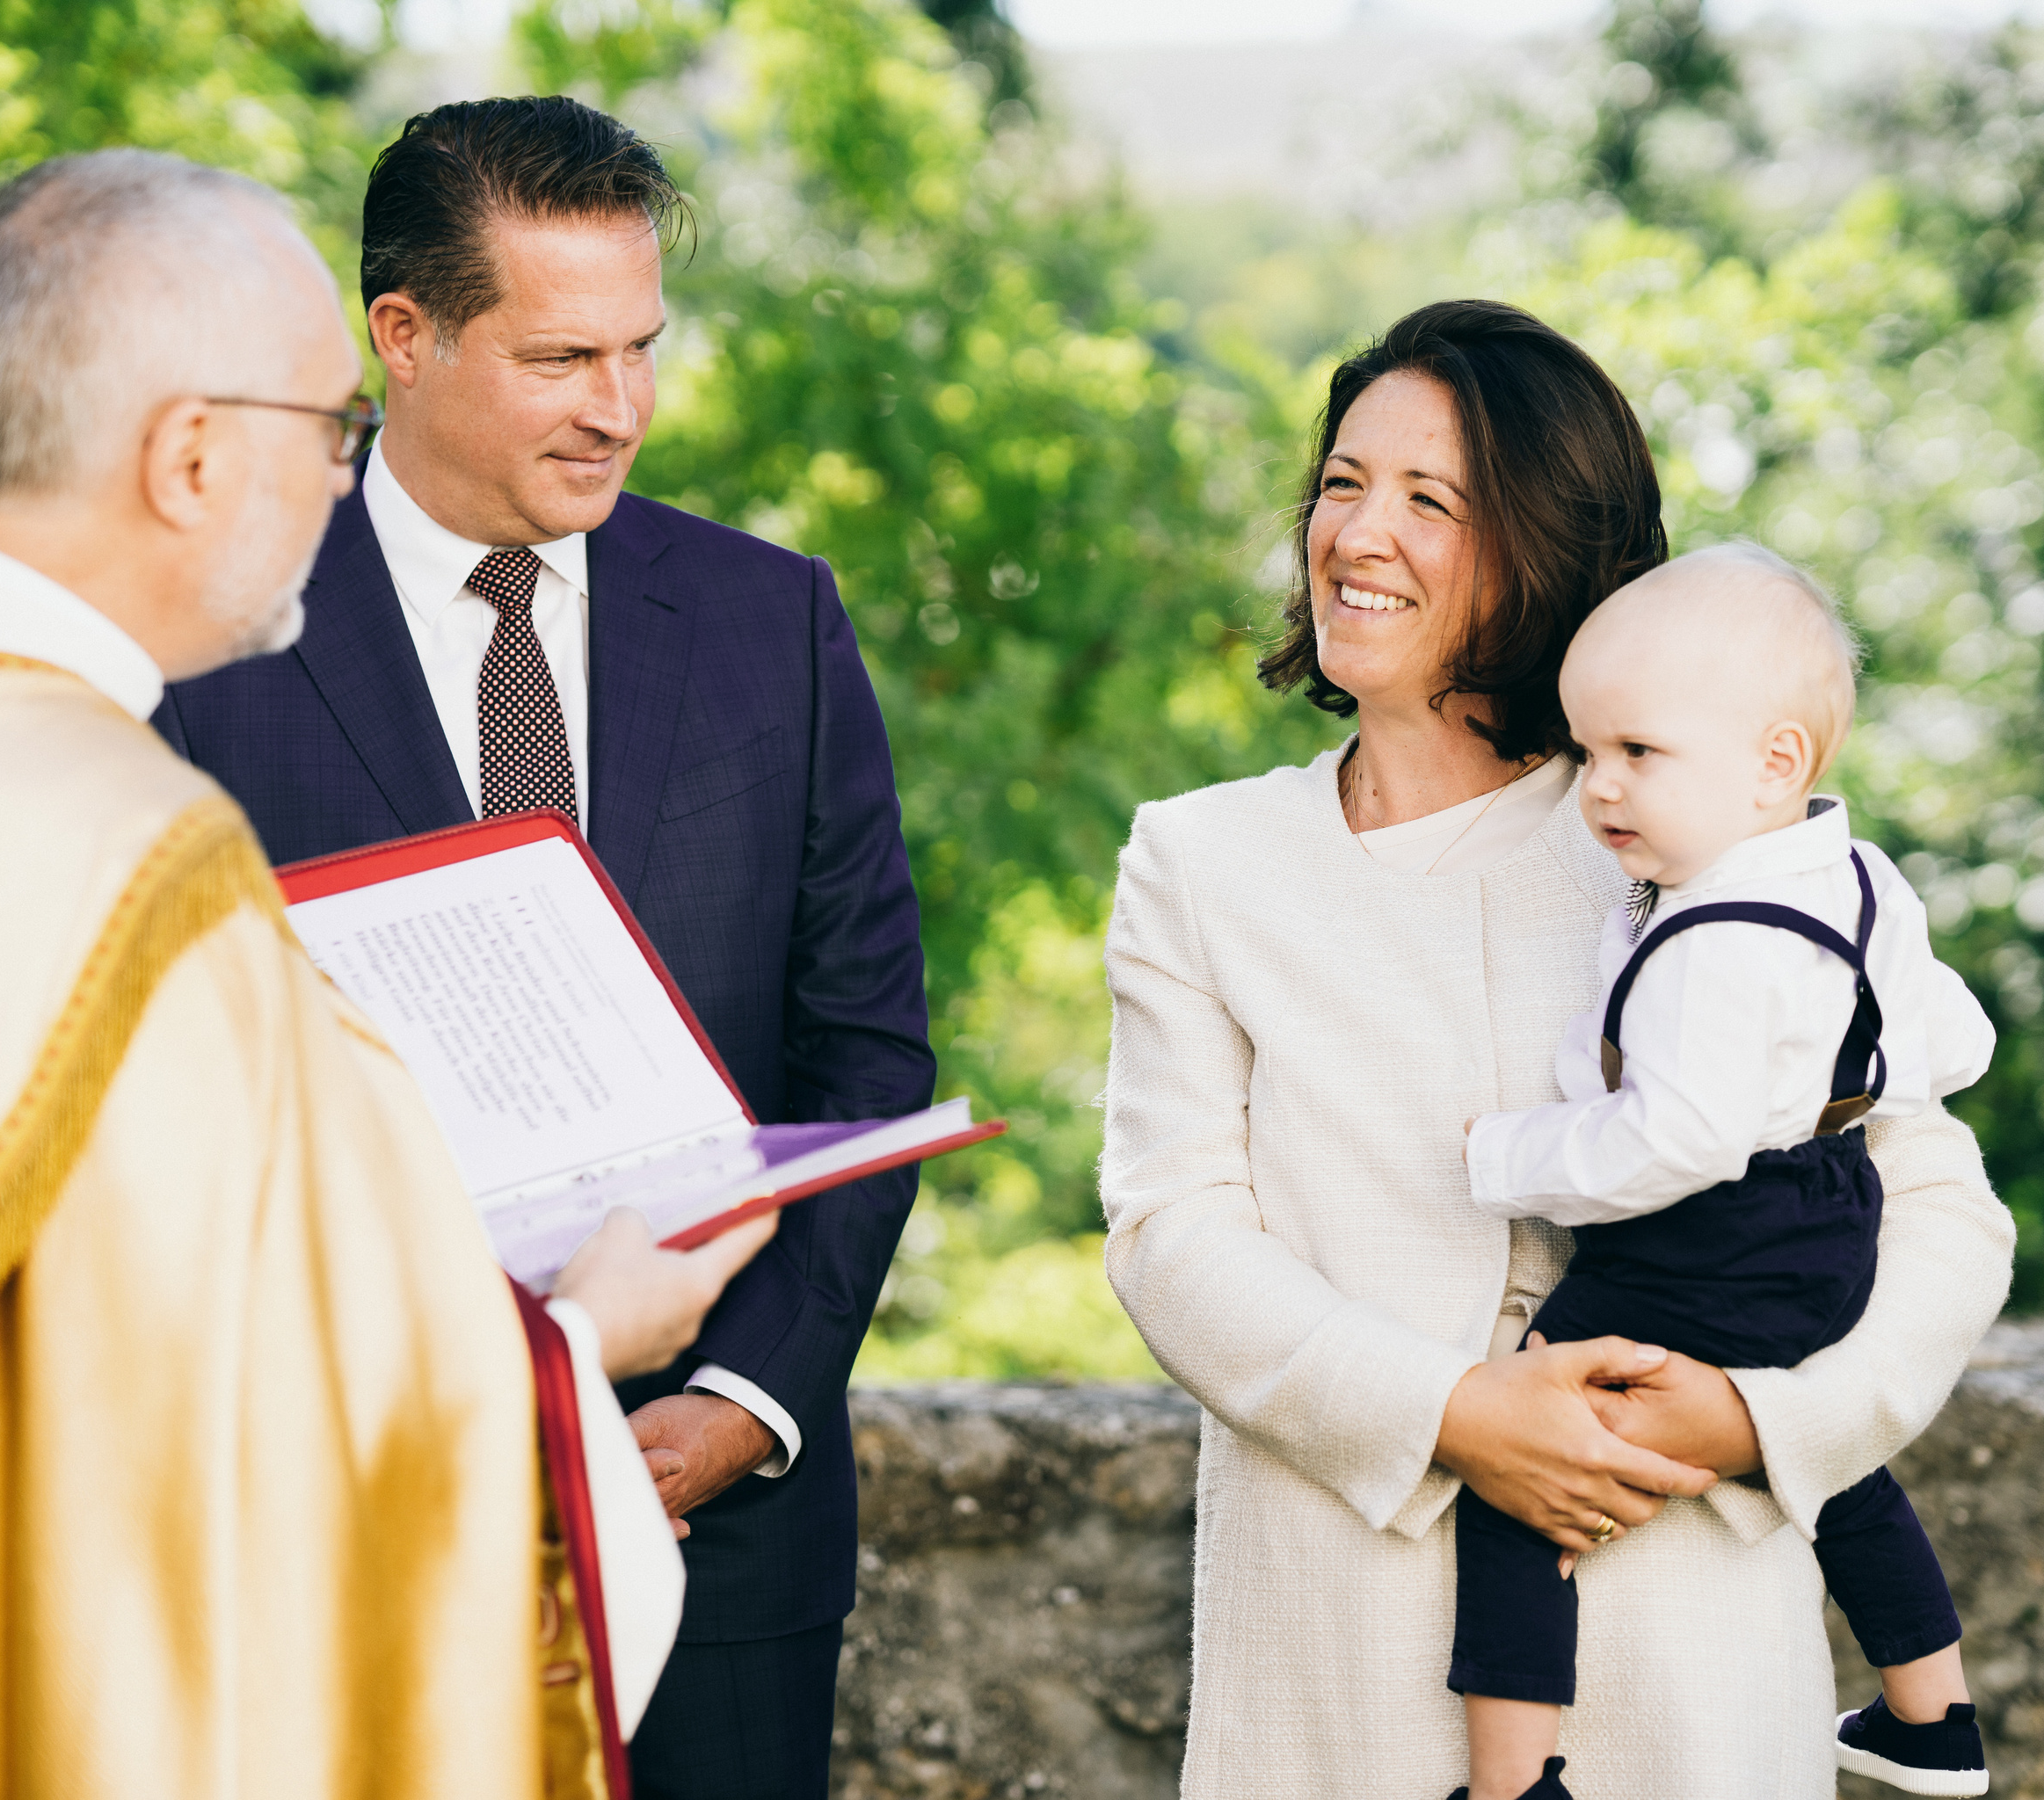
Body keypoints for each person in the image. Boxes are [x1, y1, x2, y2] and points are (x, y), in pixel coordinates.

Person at [0, 148, 771, 1798]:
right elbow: (253, 1449)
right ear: (185, 456)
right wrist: (582, 1339)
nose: (344, 482)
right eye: (327, 429)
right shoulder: (142, 875)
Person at [1097, 299, 2014, 1797]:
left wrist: (1765, 1420)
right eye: (1341, 482)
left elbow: (1938, 1204)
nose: (1358, 533)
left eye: (1430, 500)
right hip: (1331, 1652)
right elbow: (1170, 1231)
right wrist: (1452, 1413)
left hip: (1688, 1648)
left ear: (1547, 550)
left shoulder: (1688, 836)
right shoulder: (1200, 862)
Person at [153, 96, 935, 1799]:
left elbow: (866, 1060)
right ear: (404, 337)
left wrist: (749, 1398)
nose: (622, 409)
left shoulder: (771, 622)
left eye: (642, 348)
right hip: (329, 1527)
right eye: (564, 355)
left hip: (717, 1534)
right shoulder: (200, 642)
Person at [1451, 545, 1995, 1800]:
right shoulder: (1862, 880)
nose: (1601, 790)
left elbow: (1671, 1144)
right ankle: (1934, 1718)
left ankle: (1512, 1779)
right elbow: (1952, 1040)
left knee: (1524, 1455)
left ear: (1776, 763)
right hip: (1832, 1217)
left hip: (1710, 1235)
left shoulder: (1708, 939)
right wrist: (1822, 1092)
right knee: (1832, 1457)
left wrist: (1506, 1154)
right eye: (1589, 755)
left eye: (1639, 754)